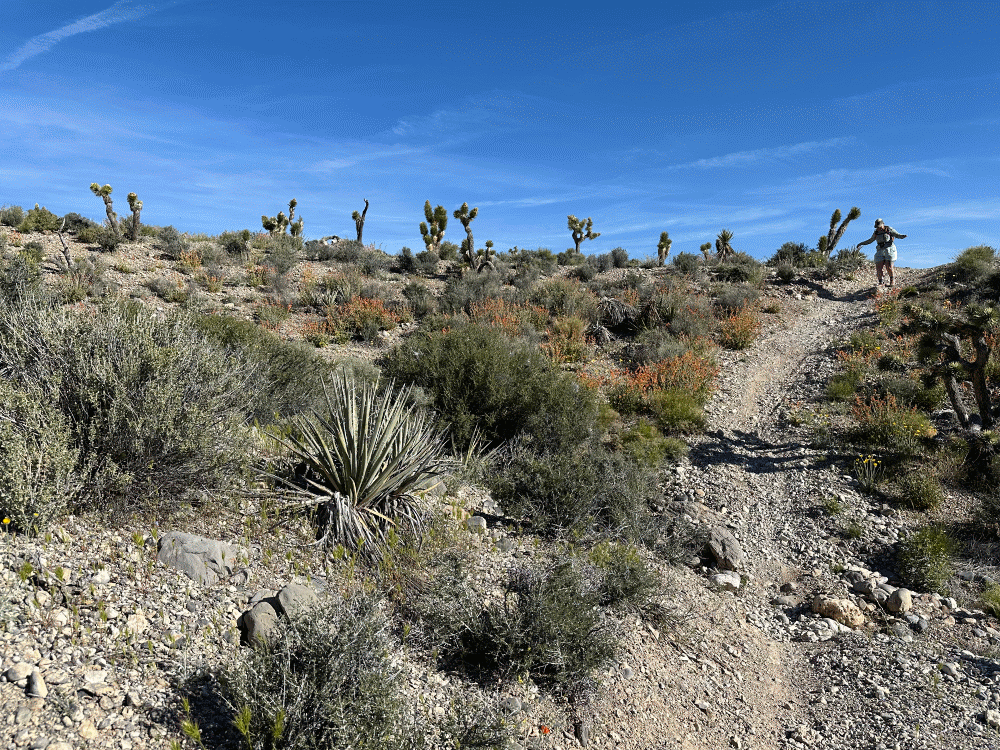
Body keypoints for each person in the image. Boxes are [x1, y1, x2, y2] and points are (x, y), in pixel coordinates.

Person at [857, 218, 906, 287]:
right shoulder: (876, 232)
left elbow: (896, 234)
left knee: (888, 266)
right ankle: (881, 282)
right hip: (880, 250)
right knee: (878, 267)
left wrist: (902, 236)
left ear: (883, 224)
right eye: (877, 227)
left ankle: (892, 280)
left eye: (879, 227)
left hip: (889, 249)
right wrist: (862, 243)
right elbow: (870, 240)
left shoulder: (889, 229)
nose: (878, 228)